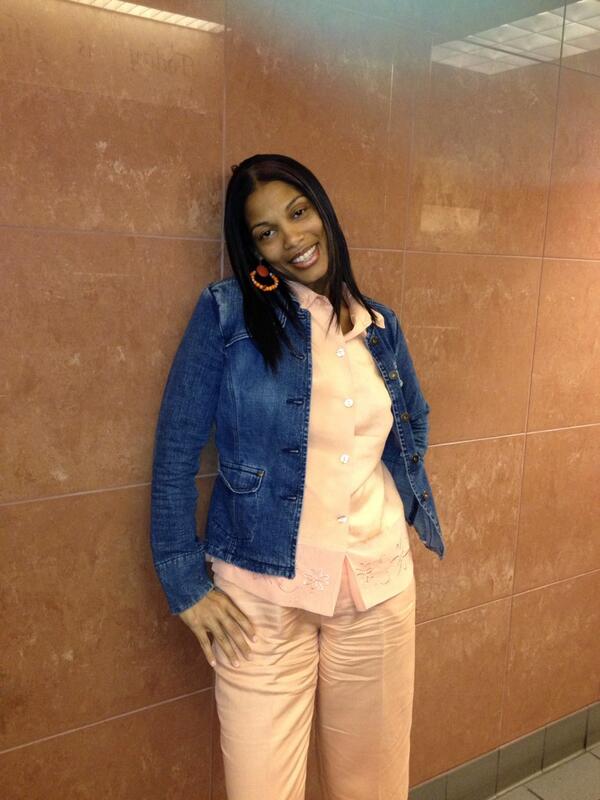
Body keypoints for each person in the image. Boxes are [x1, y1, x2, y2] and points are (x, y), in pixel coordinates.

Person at [150, 153, 445, 800]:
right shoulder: (227, 315)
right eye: (267, 231)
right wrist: (184, 581)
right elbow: (175, 452)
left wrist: (392, 503)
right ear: (252, 249)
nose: (291, 238)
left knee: (372, 788)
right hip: (259, 602)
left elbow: (412, 421)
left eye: (299, 212)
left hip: (376, 588)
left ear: (322, 211)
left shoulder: (380, 326)